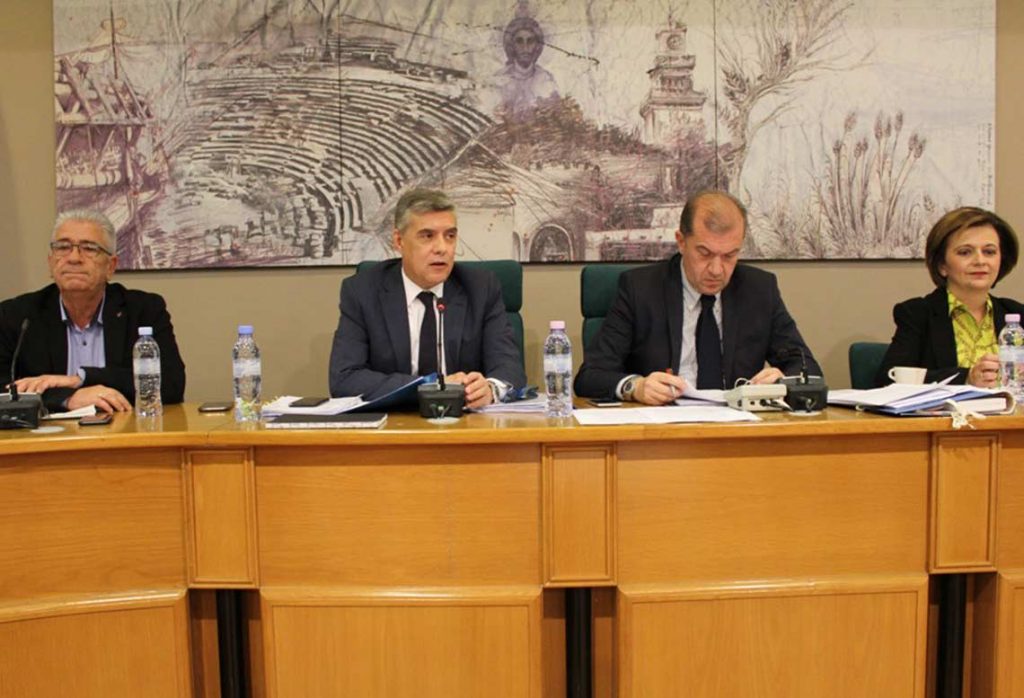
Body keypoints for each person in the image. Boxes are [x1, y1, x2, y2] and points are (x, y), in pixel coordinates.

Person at [574, 189, 821, 404]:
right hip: (662, 430)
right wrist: (635, 387)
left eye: (729, 256)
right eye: (704, 253)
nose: (717, 270)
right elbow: (590, 376)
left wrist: (783, 380)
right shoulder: (640, 289)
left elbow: (807, 367)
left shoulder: (759, 290)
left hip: (738, 429)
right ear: (681, 242)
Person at [328, 188, 526, 409]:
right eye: (427, 236)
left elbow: (510, 369)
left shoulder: (481, 288)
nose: (442, 248)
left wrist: (490, 389)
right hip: (395, 423)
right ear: (399, 240)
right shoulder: (363, 291)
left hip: (465, 423)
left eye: (450, 236)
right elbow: (345, 379)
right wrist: (430, 386)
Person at [0, 210, 186, 414]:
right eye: (63, 247)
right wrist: (67, 398)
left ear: (111, 266)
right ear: (51, 262)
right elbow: (3, 388)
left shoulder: (143, 310)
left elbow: (171, 385)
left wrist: (81, 378)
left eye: (89, 248)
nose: (74, 258)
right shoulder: (17, 315)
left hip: (123, 430)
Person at [876, 206, 1022, 387]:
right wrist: (966, 378)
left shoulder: (1016, 313)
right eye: (965, 252)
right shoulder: (918, 313)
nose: (980, 261)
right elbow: (887, 380)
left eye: (989, 252)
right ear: (942, 265)